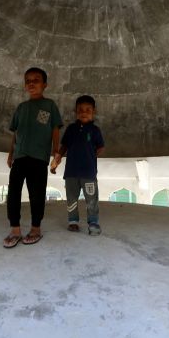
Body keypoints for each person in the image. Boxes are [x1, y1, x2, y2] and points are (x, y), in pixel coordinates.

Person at [3, 67, 63, 248]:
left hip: (39, 158)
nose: (31, 83)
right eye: (28, 80)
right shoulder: (21, 108)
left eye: (36, 80)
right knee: (13, 193)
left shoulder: (50, 105)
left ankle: (36, 228)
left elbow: (55, 129)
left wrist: (56, 152)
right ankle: (15, 229)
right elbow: (16, 132)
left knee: (37, 194)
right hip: (20, 157)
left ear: (44, 85)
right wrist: (11, 153)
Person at [51, 95, 105, 236]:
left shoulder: (95, 130)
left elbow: (100, 147)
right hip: (71, 173)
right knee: (71, 198)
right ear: (75, 111)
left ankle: (93, 222)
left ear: (94, 111)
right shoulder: (71, 129)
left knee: (91, 199)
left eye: (88, 109)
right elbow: (64, 146)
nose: (84, 112)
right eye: (80, 109)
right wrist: (57, 159)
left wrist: (90, 156)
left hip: (89, 173)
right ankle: (73, 221)